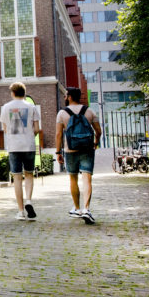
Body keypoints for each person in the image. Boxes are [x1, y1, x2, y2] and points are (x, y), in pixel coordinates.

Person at [55, 86, 103, 224]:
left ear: (69, 96)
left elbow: (58, 134)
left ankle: (76, 208)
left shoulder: (62, 113)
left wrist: (58, 152)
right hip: (87, 149)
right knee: (87, 178)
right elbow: (98, 131)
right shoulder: (89, 111)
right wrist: (95, 142)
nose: (64, 98)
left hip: (70, 150)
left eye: (65, 96)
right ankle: (86, 209)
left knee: (73, 178)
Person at [0, 82, 41, 221]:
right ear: (24, 92)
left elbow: (5, 129)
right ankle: (29, 200)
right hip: (28, 145)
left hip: (14, 146)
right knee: (29, 175)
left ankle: (21, 211)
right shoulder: (32, 107)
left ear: (12, 93)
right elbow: (36, 129)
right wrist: (29, 135)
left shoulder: (6, 108)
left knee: (17, 178)